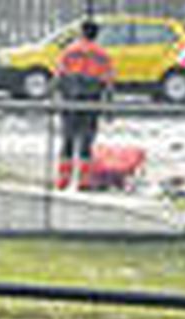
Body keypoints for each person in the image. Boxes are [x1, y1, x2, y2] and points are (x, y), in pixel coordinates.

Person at [55, 20, 116, 191]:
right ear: (96, 35)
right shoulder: (102, 55)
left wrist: (59, 96)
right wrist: (108, 107)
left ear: (81, 33)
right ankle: (84, 181)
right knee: (86, 141)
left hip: (70, 100)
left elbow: (59, 75)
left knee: (67, 139)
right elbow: (108, 82)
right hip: (91, 101)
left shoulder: (68, 52)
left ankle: (63, 180)